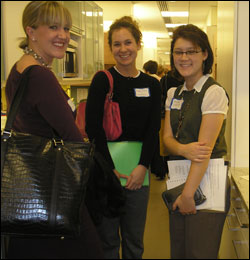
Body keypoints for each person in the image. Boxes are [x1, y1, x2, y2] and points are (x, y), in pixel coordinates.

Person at [4, 1, 104, 259]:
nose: (63, 35)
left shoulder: (19, 69)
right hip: (54, 189)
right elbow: (73, 140)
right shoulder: (40, 76)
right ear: (32, 31)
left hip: (29, 189)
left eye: (66, 28)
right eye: (53, 27)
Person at [85, 16, 161, 259]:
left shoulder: (152, 84)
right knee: (107, 242)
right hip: (106, 173)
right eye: (116, 44)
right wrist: (109, 169)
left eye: (128, 42)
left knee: (134, 242)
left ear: (138, 44)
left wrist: (143, 166)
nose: (123, 49)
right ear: (111, 48)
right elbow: (93, 128)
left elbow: (152, 130)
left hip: (138, 173)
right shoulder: (102, 81)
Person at [163, 24, 231, 259]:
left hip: (206, 180)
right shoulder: (174, 93)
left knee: (200, 252)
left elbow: (204, 151)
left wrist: (189, 195)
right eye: (178, 52)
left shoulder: (213, 92)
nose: (184, 57)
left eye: (191, 51)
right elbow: (166, 141)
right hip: (179, 177)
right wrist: (183, 148)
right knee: (179, 251)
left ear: (204, 54)